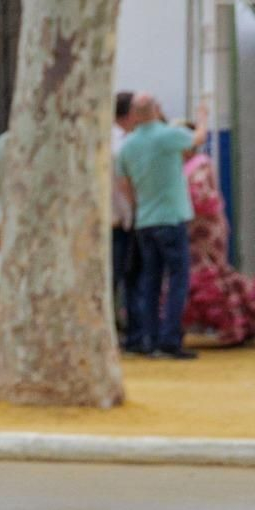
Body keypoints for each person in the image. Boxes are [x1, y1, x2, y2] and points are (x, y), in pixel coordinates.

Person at [118, 93, 207, 359]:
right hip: (171, 217)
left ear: (134, 114)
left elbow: (124, 184)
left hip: (145, 219)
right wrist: (203, 118)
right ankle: (170, 339)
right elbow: (197, 140)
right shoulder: (167, 135)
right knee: (178, 279)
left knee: (150, 281)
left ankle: (149, 338)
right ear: (156, 109)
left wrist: (139, 205)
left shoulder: (128, 145)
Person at [183, 154, 255, 346]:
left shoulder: (200, 165)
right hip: (195, 228)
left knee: (212, 275)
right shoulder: (187, 166)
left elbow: (203, 197)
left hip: (205, 228)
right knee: (206, 276)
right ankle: (239, 322)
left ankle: (234, 325)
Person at [111, 91, 139, 339]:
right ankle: (127, 331)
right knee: (124, 276)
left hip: (111, 220)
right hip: (120, 220)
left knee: (114, 278)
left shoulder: (106, 139)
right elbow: (123, 186)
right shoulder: (122, 144)